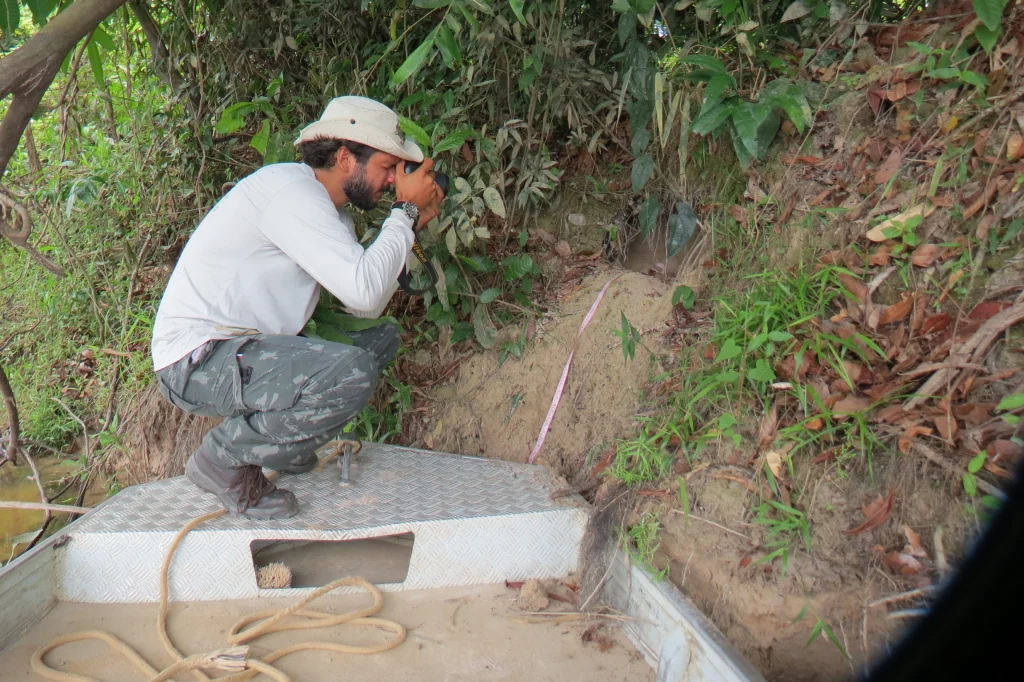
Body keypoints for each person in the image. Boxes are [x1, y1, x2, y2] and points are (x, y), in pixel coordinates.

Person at [150, 96, 443, 520]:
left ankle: (284, 448)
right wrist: (405, 211)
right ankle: (222, 459)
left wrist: (407, 225)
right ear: (346, 158)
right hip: (197, 361)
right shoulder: (291, 191)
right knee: (351, 371)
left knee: (377, 340)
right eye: (386, 168)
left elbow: (365, 307)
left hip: (240, 353)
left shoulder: (330, 214)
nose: (391, 183)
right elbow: (363, 292)